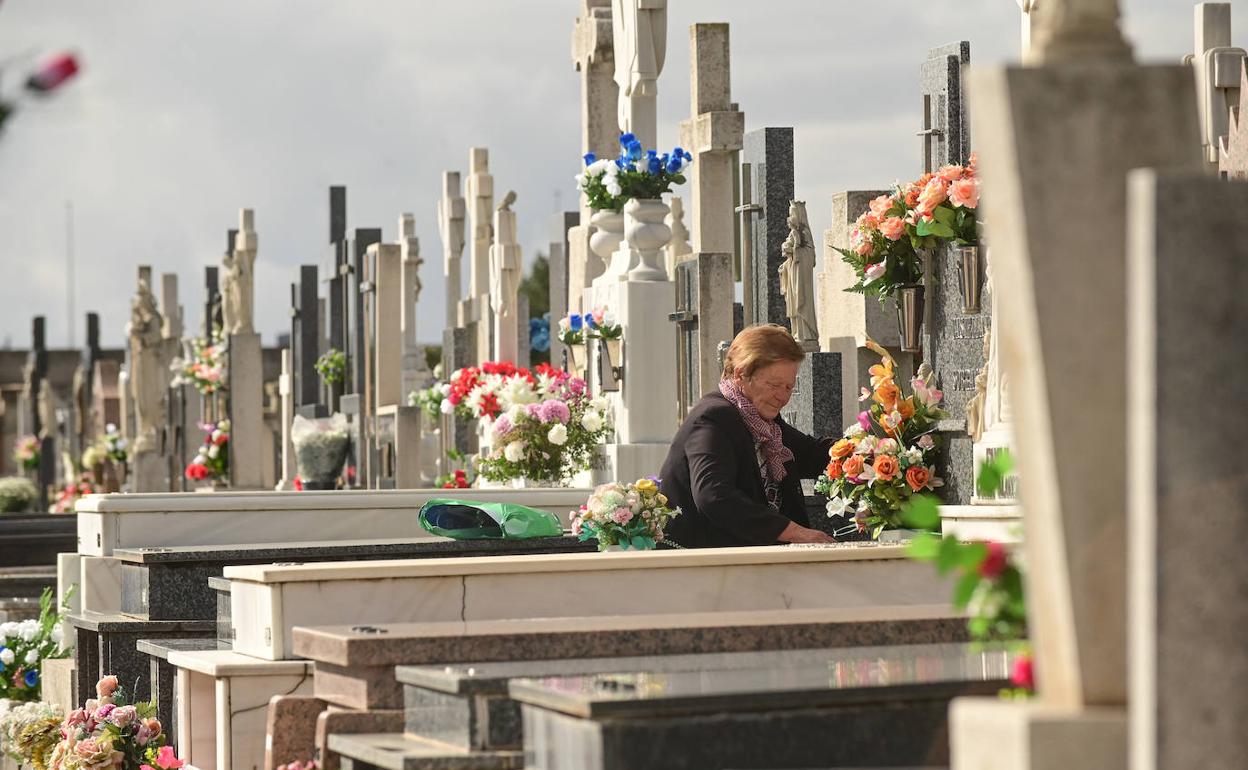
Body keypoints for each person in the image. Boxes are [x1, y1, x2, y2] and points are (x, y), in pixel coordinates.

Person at [659, 324, 837, 548]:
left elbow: (813, 454)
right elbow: (714, 496)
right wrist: (793, 532)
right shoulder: (713, 418)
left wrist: (872, 450)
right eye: (774, 384)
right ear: (741, 374)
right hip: (703, 569)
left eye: (789, 387)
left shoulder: (764, 424)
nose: (782, 397)